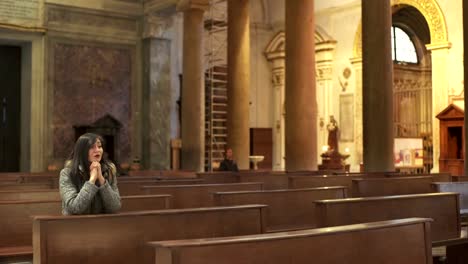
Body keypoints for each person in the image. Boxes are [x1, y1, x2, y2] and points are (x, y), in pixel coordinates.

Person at [59, 133, 121, 215]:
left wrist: (101, 180)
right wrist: (92, 180)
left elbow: (115, 207)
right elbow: (74, 208)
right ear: (82, 151)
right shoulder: (67, 173)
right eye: (92, 147)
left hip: (102, 224)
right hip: (75, 224)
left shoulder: (109, 171)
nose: (97, 150)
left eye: (99, 146)